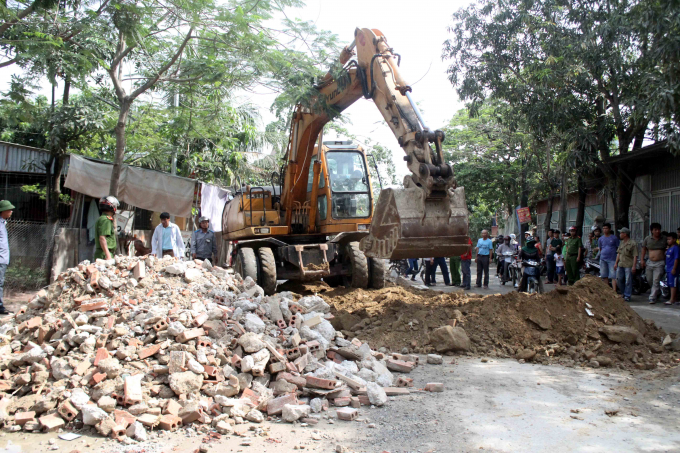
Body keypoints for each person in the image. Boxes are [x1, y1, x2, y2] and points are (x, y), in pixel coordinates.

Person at [641, 223, 666, 304]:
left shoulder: (664, 239)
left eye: (658, 229)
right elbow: (644, 249)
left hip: (660, 263)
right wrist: (642, 260)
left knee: (656, 280)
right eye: (655, 230)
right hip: (650, 262)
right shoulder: (647, 239)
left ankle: (652, 297)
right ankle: (657, 292)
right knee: (649, 279)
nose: (657, 231)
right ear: (652, 231)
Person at [614, 227, 638, 302]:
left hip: (628, 264)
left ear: (625, 234)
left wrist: (634, 266)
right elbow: (618, 254)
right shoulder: (621, 243)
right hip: (621, 264)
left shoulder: (633, 243)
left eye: (621, 233)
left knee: (628, 281)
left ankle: (627, 295)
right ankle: (623, 292)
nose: (620, 234)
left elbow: (635, 255)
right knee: (619, 279)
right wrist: (616, 263)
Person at [0, 200, 14, 315]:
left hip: (3, 259)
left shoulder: (3, 223)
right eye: (9, 209)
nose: (11, 211)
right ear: (2, 211)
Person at [94, 196, 119, 260]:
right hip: (104, 255)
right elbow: (102, 238)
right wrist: (108, 255)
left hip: (103, 253)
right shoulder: (106, 220)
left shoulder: (102, 218)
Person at [598, 223, 620, 292]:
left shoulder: (614, 238)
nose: (605, 230)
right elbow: (600, 248)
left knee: (613, 276)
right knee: (604, 275)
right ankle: (607, 291)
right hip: (603, 258)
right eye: (603, 228)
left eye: (606, 228)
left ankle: (614, 290)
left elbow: (618, 248)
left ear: (610, 229)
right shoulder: (601, 238)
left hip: (612, 259)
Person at [665, 233, 678, 306]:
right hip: (668, 268)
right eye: (667, 239)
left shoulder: (675, 248)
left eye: (669, 239)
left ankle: (672, 299)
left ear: (674, 240)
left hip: (672, 269)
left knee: (673, 284)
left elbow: (676, 259)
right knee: (670, 284)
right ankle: (673, 298)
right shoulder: (669, 248)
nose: (668, 241)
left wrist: (674, 268)